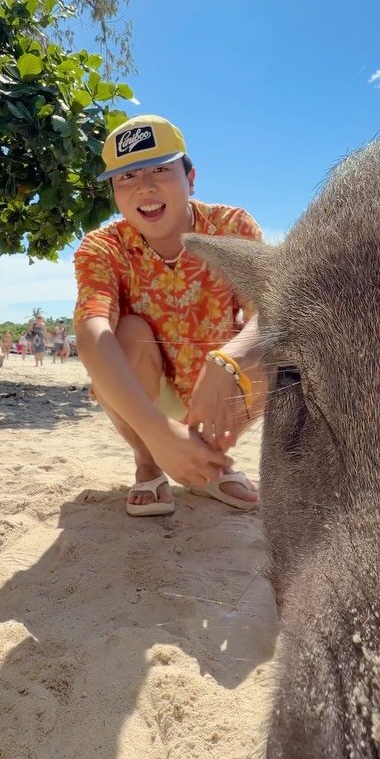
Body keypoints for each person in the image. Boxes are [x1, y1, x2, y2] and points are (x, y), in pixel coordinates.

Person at [74, 114, 266, 517]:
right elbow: (91, 326)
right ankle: (149, 462)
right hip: (148, 390)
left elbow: (269, 310)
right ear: (114, 190)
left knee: (278, 347)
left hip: (218, 385)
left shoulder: (231, 226)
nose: (145, 186)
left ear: (190, 178)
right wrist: (156, 433)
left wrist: (227, 362)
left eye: (160, 169)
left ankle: (208, 462)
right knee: (126, 331)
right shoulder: (102, 246)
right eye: (126, 176)